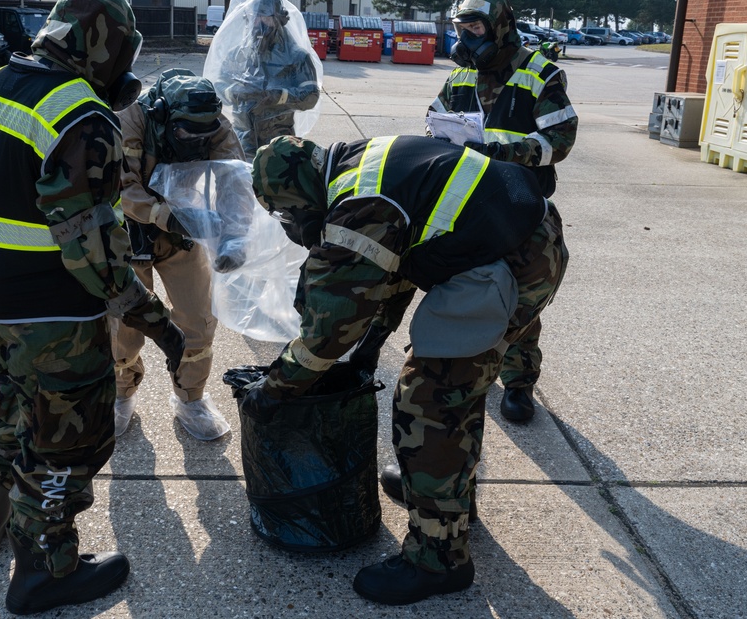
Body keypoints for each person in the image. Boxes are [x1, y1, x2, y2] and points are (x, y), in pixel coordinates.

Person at [0, 0, 185, 616]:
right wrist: (155, 320)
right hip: (45, 304)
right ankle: (45, 571)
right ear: (108, 46)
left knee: (15, 395)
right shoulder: (80, 116)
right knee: (66, 436)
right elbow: (95, 253)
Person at [243, 134, 568, 605]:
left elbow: (327, 333)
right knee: (456, 387)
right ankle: (451, 501)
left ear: (300, 188)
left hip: (513, 264)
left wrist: (275, 390)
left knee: (429, 400)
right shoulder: (362, 164)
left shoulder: (360, 205)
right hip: (525, 239)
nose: (294, 222)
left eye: (290, 211)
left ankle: (438, 560)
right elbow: (395, 269)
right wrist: (372, 344)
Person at [429, 0, 577, 425]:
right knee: (468, 291)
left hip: (521, 205)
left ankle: (518, 384)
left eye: (475, 27)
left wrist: (503, 154)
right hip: (469, 205)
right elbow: (434, 119)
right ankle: (472, 367)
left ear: (499, 27)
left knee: (522, 302)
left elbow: (560, 139)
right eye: (460, 28)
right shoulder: (459, 77)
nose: (466, 38)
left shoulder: (539, 72)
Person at [113, 68, 251, 440]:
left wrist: (234, 237)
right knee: (124, 325)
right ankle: (120, 395)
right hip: (129, 233)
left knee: (198, 318)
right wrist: (166, 217)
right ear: (165, 116)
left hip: (183, 229)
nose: (195, 140)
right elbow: (121, 187)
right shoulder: (130, 118)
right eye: (185, 132)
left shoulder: (213, 123)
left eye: (203, 134)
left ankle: (190, 398)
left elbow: (235, 182)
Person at [204, 0, 321, 159]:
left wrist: (278, 96)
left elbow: (311, 96)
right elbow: (218, 86)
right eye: (253, 17)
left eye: (263, 16)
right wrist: (236, 93)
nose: (257, 22)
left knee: (275, 183)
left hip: (279, 142)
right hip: (242, 139)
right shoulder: (238, 55)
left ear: (279, 18)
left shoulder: (297, 56)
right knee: (243, 183)